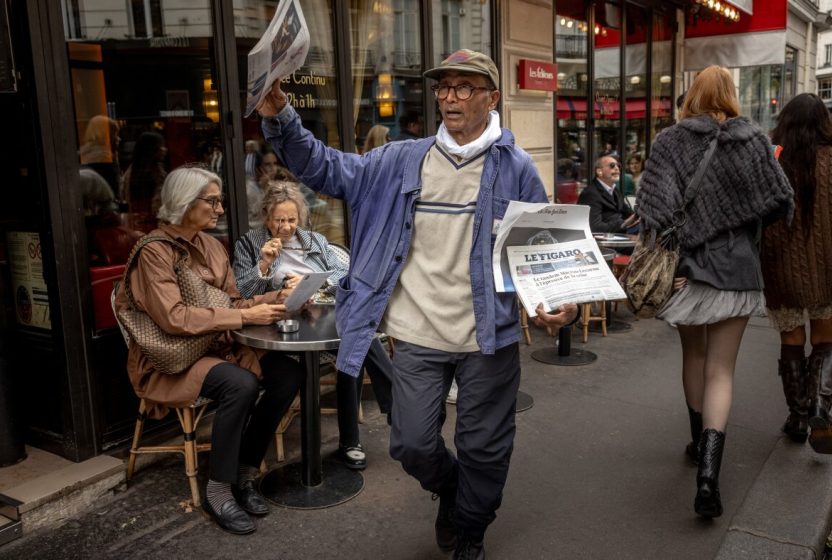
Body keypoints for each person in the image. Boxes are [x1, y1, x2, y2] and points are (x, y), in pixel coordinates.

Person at [257, 49, 567, 560]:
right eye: (444, 86)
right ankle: (451, 490)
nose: (450, 97)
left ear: (492, 98)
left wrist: (559, 304)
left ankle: (469, 528)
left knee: (484, 449)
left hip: (486, 336)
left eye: (464, 87)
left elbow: (541, 251)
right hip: (419, 335)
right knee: (411, 443)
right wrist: (281, 117)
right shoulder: (402, 158)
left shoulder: (516, 169)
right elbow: (328, 169)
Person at [636, 66, 793, 518]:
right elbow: (779, 201)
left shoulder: (671, 140)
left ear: (692, 95)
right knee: (722, 370)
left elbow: (656, 210)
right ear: (731, 95)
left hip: (689, 270)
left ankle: (695, 442)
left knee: (695, 359)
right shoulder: (756, 142)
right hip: (738, 268)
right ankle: (709, 474)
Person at [114, 166, 306, 535]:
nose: (220, 209)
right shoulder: (154, 252)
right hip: (172, 357)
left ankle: (244, 472)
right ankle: (218, 490)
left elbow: (235, 300)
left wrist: (278, 297)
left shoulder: (212, 245)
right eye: (212, 201)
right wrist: (244, 314)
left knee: (290, 373)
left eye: (219, 201)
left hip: (215, 345)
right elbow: (173, 318)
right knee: (241, 384)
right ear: (185, 203)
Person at [232, 180, 395, 469]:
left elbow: (347, 274)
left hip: (322, 314)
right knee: (356, 341)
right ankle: (395, 408)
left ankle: (352, 441)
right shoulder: (249, 244)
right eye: (279, 220)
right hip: (280, 322)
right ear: (267, 217)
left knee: (354, 344)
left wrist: (317, 285)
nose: (286, 226)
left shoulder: (315, 241)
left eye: (292, 219)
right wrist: (267, 268)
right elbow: (243, 291)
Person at [763, 93, 832, 454]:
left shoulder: (773, 157)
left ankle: (798, 418)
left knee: (792, 342)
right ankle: (820, 407)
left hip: (782, 264)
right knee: (828, 342)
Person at [577, 154, 639, 233]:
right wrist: (624, 223)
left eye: (618, 165)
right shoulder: (590, 194)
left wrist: (638, 216)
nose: (617, 168)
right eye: (612, 165)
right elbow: (594, 228)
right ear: (599, 171)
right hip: (609, 239)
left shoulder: (615, 190)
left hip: (622, 234)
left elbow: (628, 213)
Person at [121, 131, 168, 233]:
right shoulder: (155, 173)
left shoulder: (132, 171)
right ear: (152, 149)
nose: (164, 150)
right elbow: (158, 205)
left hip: (134, 223)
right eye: (161, 146)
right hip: (153, 224)